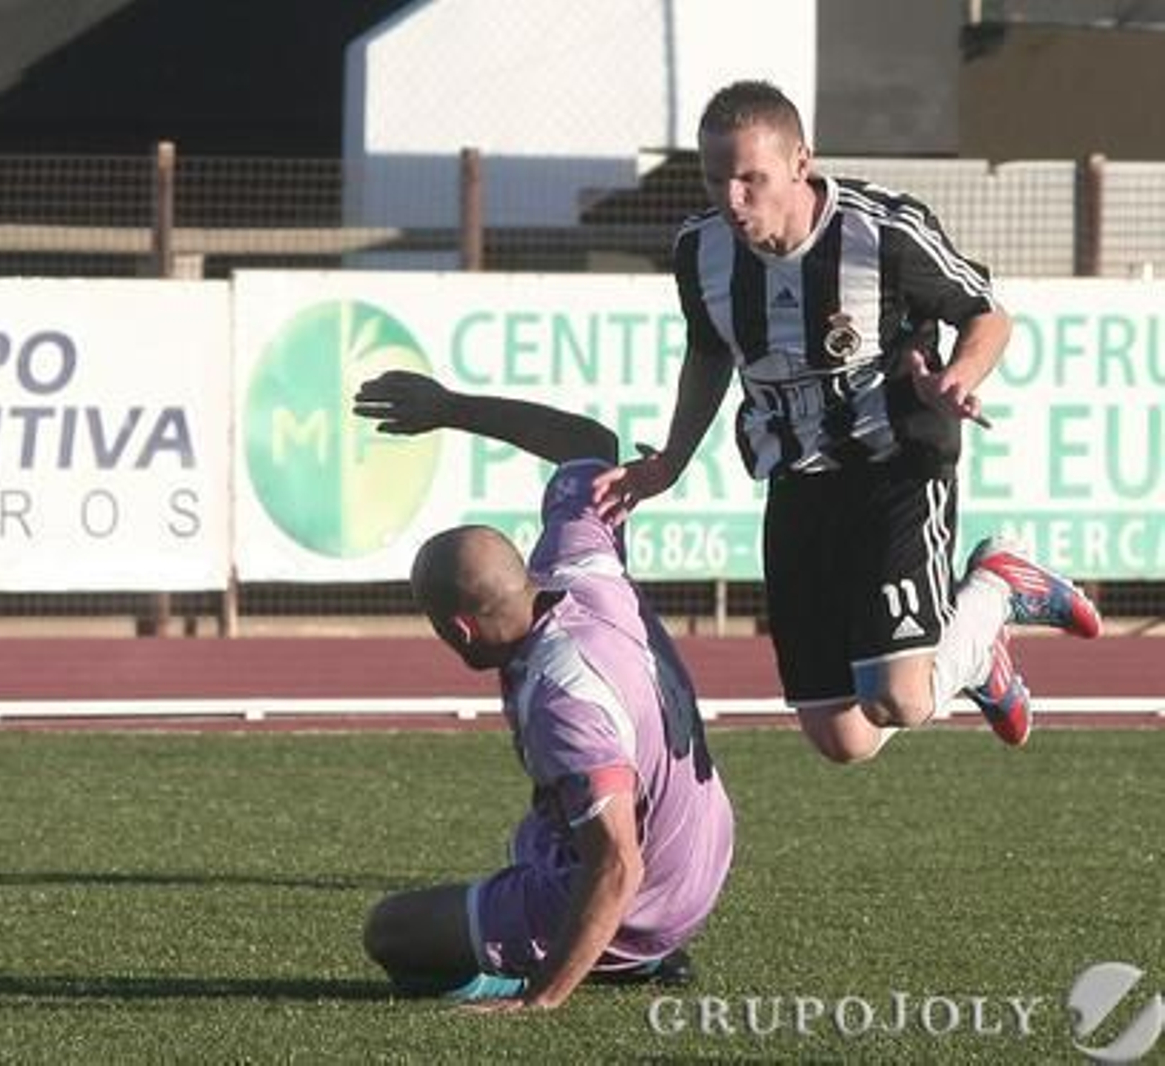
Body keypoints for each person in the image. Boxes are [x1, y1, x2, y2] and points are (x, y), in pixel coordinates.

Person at [590, 79, 1100, 762]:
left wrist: (959, 376)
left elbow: (986, 313)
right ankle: (978, 647)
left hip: (897, 466)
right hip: (797, 480)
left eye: (752, 178)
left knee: (902, 700)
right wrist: (670, 461)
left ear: (802, 162)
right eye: (717, 179)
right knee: (845, 740)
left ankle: (994, 593)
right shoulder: (699, 250)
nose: (733, 199)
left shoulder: (880, 231)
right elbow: (709, 351)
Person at [353, 370, 734, 1011]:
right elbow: (588, 439)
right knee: (541, 831)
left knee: (394, 933)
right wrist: (449, 408)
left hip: (649, 898)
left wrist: (543, 998)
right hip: (703, 848)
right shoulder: (579, 556)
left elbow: (617, 863)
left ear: (460, 627)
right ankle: (619, 943)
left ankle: (621, 960)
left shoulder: (564, 702)